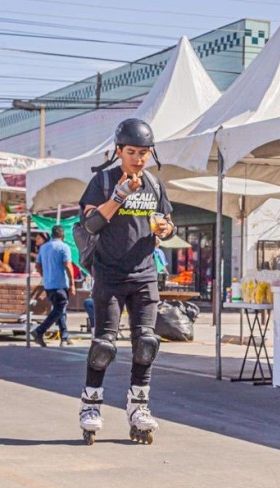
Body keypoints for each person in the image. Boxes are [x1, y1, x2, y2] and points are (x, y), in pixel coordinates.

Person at [77, 118, 174, 445]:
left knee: (146, 343)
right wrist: (119, 195)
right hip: (110, 274)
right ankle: (91, 405)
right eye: (131, 151)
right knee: (104, 343)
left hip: (145, 274)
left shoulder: (155, 184)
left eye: (144, 152)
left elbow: (168, 222)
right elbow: (90, 225)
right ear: (119, 151)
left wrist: (166, 229)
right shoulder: (102, 182)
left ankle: (139, 407)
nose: (138, 158)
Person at [32, 225, 76, 347]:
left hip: (49, 284)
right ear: (62, 235)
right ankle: (39, 331)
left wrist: (45, 276)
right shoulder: (64, 247)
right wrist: (72, 284)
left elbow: (37, 266)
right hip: (60, 283)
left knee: (59, 309)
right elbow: (68, 265)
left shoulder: (44, 247)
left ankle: (64, 336)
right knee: (59, 309)